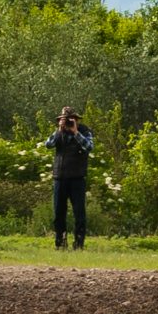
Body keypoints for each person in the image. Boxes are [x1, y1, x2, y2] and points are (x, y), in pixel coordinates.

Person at [43, 105, 94, 250]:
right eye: (65, 120)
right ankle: (60, 242)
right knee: (58, 213)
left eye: (71, 119)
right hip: (60, 177)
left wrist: (76, 132)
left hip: (77, 178)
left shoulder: (84, 131)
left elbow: (89, 147)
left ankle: (79, 243)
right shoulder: (59, 133)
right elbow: (48, 144)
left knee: (79, 213)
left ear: (77, 120)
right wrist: (59, 130)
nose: (68, 122)